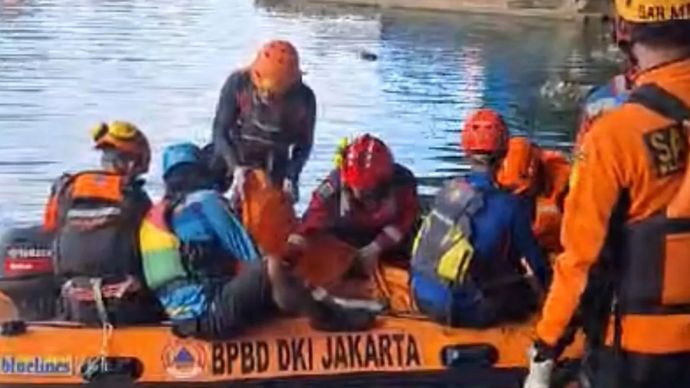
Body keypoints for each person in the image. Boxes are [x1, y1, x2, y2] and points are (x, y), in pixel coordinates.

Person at [524, 0, 690, 386]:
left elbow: (581, 262)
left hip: (640, 356)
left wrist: (545, 350)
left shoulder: (615, 137)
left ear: (623, 31)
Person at [141, 143, 377, 339]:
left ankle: (302, 306)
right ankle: (324, 318)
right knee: (272, 266)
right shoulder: (207, 201)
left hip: (180, 319)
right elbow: (250, 255)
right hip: (211, 314)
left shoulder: (154, 216)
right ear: (200, 171)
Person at [410, 108, 549, 328]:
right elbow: (537, 266)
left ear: (465, 150)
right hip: (458, 309)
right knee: (523, 294)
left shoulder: (448, 189)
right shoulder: (511, 206)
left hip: (419, 294)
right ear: (504, 152)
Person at [43, 121, 160, 326]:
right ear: (133, 163)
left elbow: (50, 232)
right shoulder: (134, 195)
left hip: (76, 305)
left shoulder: (68, 188)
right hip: (126, 306)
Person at [285, 134, 420, 274]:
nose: (368, 198)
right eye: (363, 192)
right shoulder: (331, 189)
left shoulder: (403, 184)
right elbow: (309, 225)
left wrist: (375, 248)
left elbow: (405, 221)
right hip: (348, 244)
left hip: (392, 248)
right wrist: (292, 252)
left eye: (374, 191)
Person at [210, 39, 317, 206]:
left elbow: (304, 144)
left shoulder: (305, 99)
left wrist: (292, 174)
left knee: (275, 208)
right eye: (263, 90)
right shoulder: (238, 83)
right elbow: (219, 131)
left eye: (273, 93)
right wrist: (235, 167)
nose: (266, 96)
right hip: (235, 150)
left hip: (275, 158)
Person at [497, 136, 570, 254]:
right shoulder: (500, 180)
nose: (516, 196)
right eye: (509, 190)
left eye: (521, 191)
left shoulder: (565, 184)